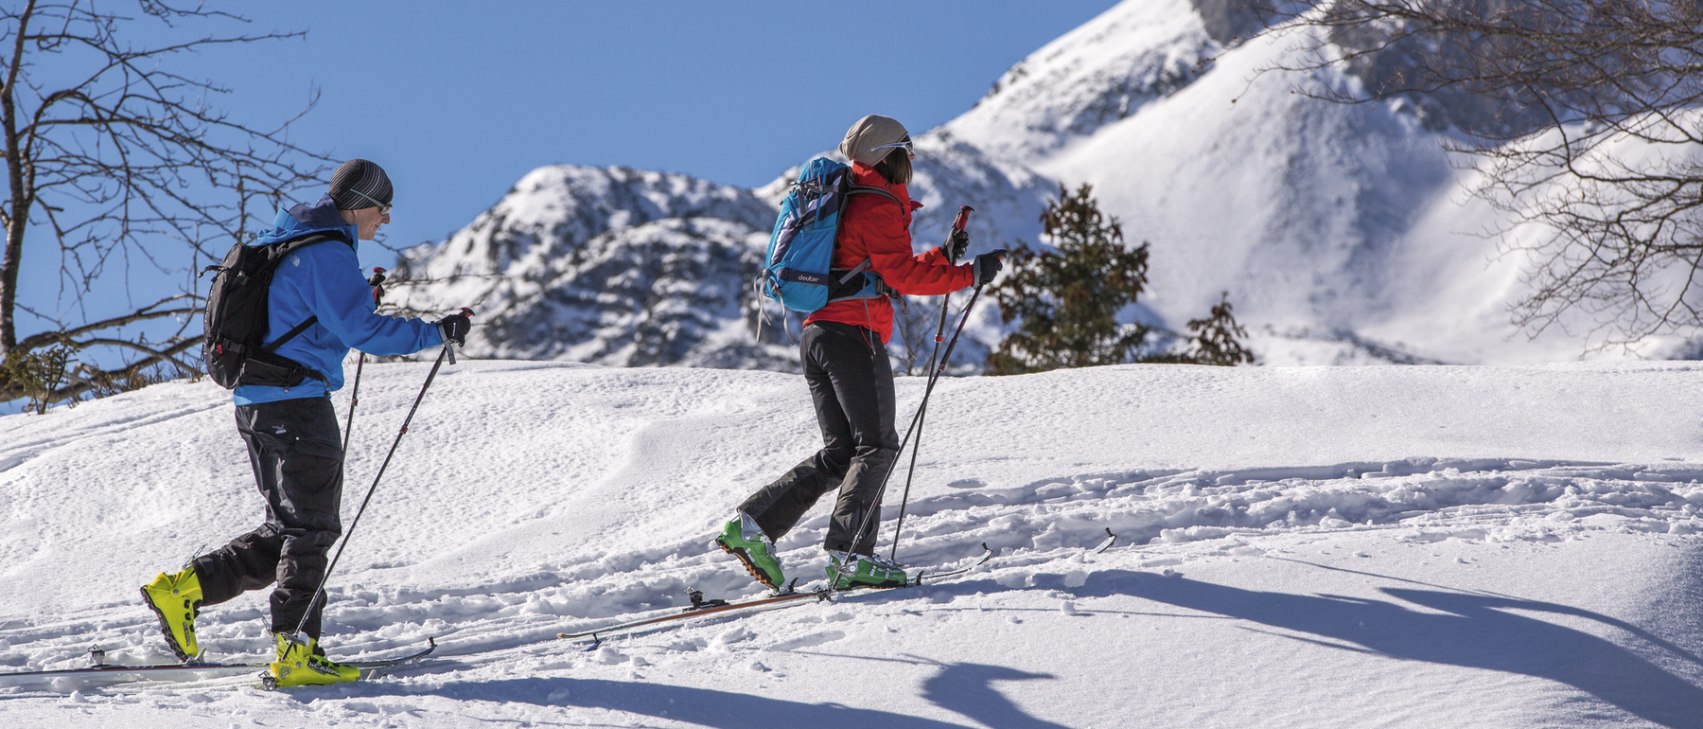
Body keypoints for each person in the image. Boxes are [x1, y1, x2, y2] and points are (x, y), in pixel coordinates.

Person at [139, 159, 473, 688]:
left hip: (259, 401)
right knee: (311, 528)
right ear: (360, 205)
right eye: (382, 210)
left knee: (290, 529)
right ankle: (296, 650)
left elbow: (308, 322)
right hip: (296, 402)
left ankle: (182, 589)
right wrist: (437, 333)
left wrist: (360, 299)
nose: (384, 221)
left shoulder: (291, 241)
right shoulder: (327, 251)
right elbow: (364, 332)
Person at [717, 115, 1004, 591]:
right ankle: (851, 556)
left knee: (842, 452)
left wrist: (943, 256)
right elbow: (900, 277)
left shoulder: (850, 197)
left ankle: (751, 528)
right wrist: (969, 274)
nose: (911, 162)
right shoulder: (877, 205)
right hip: (854, 333)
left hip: (818, 336)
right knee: (877, 446)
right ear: (891, 156)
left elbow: (881, 265)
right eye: (908, 153)